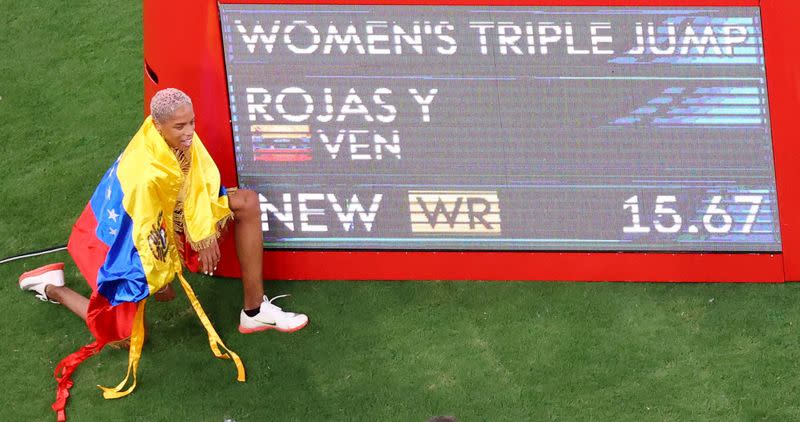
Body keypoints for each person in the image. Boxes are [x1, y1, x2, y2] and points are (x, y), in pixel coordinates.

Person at [19, 88, 307, 420]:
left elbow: (199, 180)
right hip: (126, 244)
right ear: (158, 126)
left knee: (247, 203)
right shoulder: (144, 174)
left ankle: (254, 311)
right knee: (121, 337)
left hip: (171, 216)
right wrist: (161, 281)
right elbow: (148, 236)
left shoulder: (179, 136)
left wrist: (203, 232)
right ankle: (51, 287)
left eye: (191, 123)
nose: (189, 133)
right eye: (180, 127)